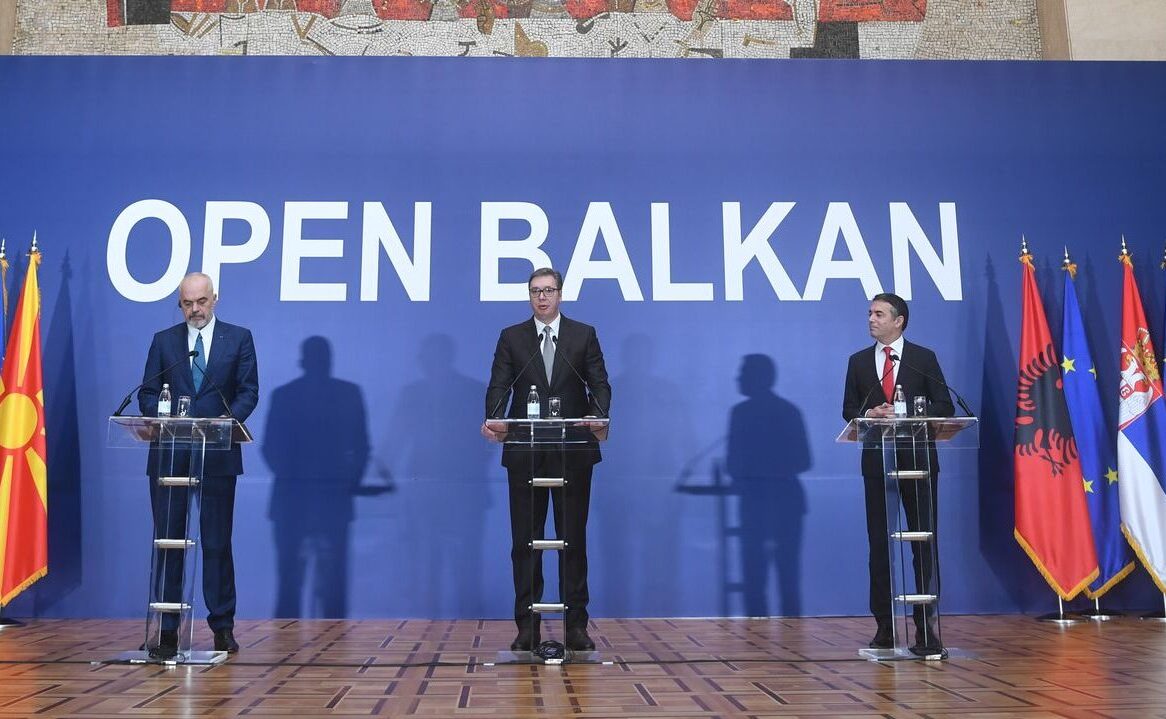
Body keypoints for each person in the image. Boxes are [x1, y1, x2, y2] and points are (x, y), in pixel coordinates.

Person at [481, 268, 611, 653]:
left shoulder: (583, 335)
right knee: (525, 542)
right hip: (526, 453)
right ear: (529, 296)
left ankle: (576, 627)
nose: (542, 297)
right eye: (535, 291)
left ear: (560, 294)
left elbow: (599, 383)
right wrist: (494, 417)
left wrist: (598, 415)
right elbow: (499, 385)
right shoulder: (512, 337)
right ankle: (527, 627)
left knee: (574, 541)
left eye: (548, 290)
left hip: (573, 453)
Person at [138, 272, 260, 657]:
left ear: (215, 299)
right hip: (170, 455)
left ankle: (222, 627)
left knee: (217, 543)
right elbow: (147, 393)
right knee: (169, 543)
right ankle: (167, 631)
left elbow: (248, 392)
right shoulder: (164, 341)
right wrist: (158, 414)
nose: (195, 309)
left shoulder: (238, 339)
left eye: (201, 301)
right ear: (180, 304)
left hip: (218, 454)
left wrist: (224, 423)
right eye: (188, 303)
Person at [841, 292, 953, 655]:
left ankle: (926, 629)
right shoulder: (858, 361)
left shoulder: (923, 358)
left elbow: (945, 405)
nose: (871, 319)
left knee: (923, 543)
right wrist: (870, 414)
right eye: (870, 313)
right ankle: (885, 628)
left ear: (898, 320)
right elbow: (848, 410)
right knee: (879, 545)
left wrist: (909, 412)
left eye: (879, 314)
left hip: (918, 462)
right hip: (878, 463)